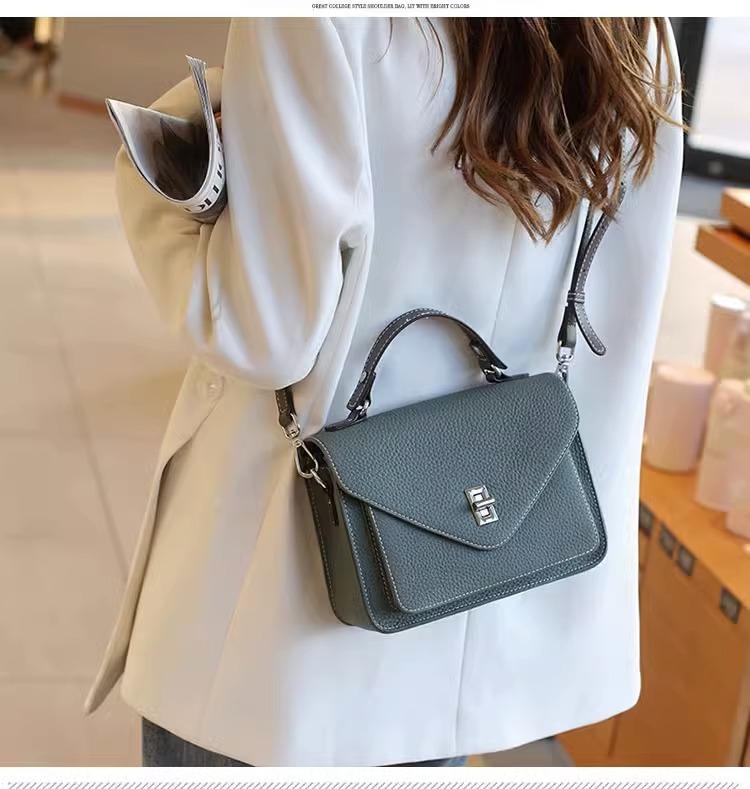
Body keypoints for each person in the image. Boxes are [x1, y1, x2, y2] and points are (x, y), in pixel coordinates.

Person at [85, 18, 682, 766]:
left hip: (289, 624)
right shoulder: (633, 30)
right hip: (473, 602)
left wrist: (161, 161)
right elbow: (620, 309)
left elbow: (259, 333)